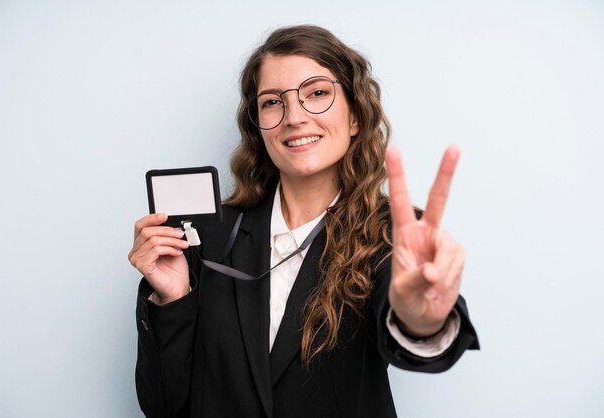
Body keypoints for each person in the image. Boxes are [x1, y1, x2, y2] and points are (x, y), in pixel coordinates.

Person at [128, 24, 479, 418]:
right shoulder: (206, 235)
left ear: (355, 118)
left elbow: (424, 341)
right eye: (273, 102)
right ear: (259, 128)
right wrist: (172, 300)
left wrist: (420, 319)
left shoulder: (394, 232)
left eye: (317, 93)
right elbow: (162, 406)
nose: (294, 116)